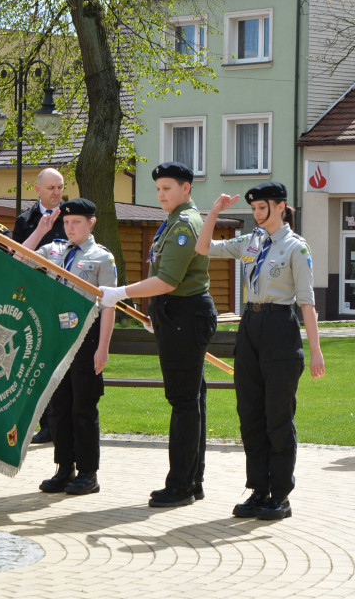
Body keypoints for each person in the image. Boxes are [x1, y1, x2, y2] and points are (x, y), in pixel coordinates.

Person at [196, 182, 325, 521]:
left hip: (280, 328)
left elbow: (307, 302)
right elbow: (203, 247)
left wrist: (316, 351)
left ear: (280, 207)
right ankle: (258, 490)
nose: (256, 213)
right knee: (250, 414)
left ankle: (280, 495)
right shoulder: (250, 241)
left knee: (277, 416)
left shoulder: (297, 248)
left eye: (261, 207)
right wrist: (213, 213)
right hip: (250, 327)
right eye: (253, 208)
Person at [98, 161, 217, 509]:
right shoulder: (173, 221)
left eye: (168, 188)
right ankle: (191, 480)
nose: (162, 194)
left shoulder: (184, 224)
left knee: (184, 401)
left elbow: (167, 280)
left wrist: (120, 293)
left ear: (186, 189)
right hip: (177, 313)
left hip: (185, 313)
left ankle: (181, 484)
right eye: (158, 189)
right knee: (192, 398)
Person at [23, 198, 116, 494]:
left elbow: (109, 306)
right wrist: (40, 230)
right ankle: (64, 468)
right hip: (57, 338)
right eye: (66, 222)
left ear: (91, 223)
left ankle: (88, 472)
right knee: (58, 407)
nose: (70, 227)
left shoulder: (102, 258)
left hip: (86, 338)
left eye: (76, 222)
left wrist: (103, 347)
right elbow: (19, 258)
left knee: (83, 407)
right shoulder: (54, 251)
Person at [12, 168, 67, 444]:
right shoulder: (25, 219)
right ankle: (42, 423)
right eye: (51, 188)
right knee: (36, 361)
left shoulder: (72, 217)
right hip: (35, 298)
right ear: (38, 190)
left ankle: (59, 423)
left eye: (60, 187)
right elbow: (17, 260)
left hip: (63, 297)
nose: (57, 193)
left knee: (59, 362)